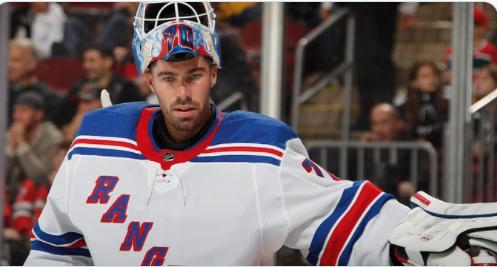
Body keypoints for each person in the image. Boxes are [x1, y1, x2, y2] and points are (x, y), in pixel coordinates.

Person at [25, 2, 497, 266]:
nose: (183, 91)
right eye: (169, 77)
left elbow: (348, 222)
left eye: (195, 74)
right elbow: (56, 255)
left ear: (215, 73)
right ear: (150, 80)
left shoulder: (259, 151)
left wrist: (413, 242)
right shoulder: (95, 145)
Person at [54, 43, 144, 128]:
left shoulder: (127, 88)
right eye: (85, 60)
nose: (86, 66)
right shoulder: (79, 87)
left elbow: (136, 119)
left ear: (108, 62)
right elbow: (60, 119)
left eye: (92, 61)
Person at [5, 91, 63, 210]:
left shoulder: (52, 137)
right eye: (16, 111)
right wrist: (10, 148)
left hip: (40, 197)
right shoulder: (11, 134)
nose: (17, 116)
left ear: (38, 114)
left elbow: (40, 176)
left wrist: (21, 144)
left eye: (23, 111)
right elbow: (3, 175)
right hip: (13, 194)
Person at [395, 61, 448, 150]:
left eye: (434, 75)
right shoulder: (402, 102)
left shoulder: (448, 98)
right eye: (425, 76)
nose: (432, 79)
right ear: (414, 82)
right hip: (411, 153)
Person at [8, 37, 61, 125]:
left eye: (16, 60)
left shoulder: (47, 97)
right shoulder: (3, 92)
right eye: (8, 60)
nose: (10, 65)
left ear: (31, 64)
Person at [442, 6, 497, 84]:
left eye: (468, 24)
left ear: (482, 28)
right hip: (454, 93)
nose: (462, 27)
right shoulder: (452, 49)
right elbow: (443, 71)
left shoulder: (490, 50)